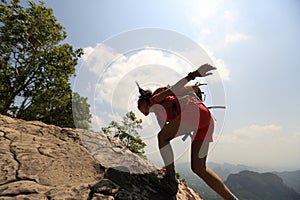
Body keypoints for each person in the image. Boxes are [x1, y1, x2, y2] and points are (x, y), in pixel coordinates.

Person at [137, 64, 238, 200]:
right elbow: (165, 137)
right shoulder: (159, 114)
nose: (140, 110)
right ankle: (231, 198)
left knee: (161, 137)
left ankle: (170, 179)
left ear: (144, 101)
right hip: (205, 120)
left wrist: (193, 75)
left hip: (194, 113)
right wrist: (167, 163)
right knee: (198, 168)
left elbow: (174, 88)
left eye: (139, 106)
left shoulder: (155, 99)